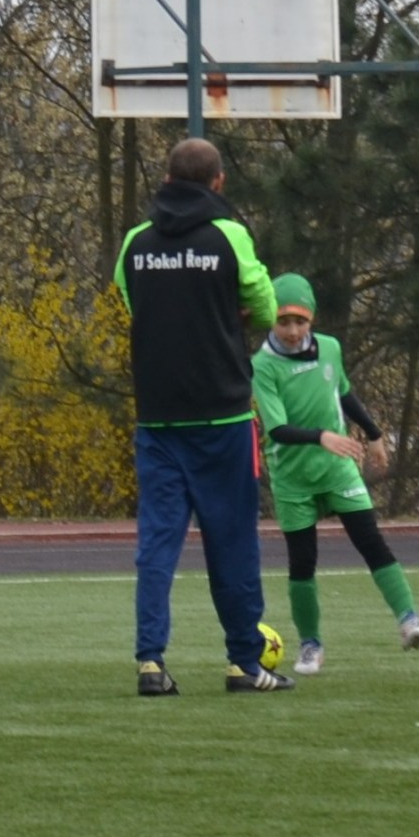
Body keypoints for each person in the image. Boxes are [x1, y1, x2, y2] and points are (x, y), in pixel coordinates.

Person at [114, 137, 291, 695]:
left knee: (157, 545)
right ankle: (244, 663)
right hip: (222, 419)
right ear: (218, 182)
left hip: (158, 418)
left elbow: (132, 302)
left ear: (166, 178)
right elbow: (265, 307)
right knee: (233, 543)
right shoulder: (229, 235)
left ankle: (150, 662)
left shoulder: (136, 241)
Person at [251, 272, 419, 675]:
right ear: (271, 321)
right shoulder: (263, 365)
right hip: (293, 477)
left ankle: (409, 620)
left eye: (300, 321)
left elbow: (343, 393)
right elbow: (277, 429)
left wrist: (374, 434)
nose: (292, 331)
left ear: (311, 319)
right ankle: (311, 645)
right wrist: (323, 437)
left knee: (372, 542)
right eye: (283, 322)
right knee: (302, 563)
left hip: (337, 468)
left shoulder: (330, 348)